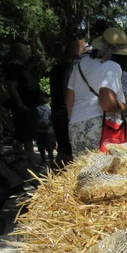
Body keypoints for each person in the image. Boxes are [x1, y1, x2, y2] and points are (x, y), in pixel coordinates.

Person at [65, 27, 127, 155]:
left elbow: (69, 101)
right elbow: (107, 103)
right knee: (105, 171)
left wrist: (78, 120)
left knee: (82, 171)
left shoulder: (79, 64)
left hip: (76, 125)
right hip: (102, 127)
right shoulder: (112, 67)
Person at [49, 38, 86, 166]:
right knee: (70, 152)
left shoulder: (55, 69)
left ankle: (57, 178)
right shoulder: (73, 69)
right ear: (77, 52)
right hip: (68, 112)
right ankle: (65, 180)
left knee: (62, 150)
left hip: (57, 111)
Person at [4, 42, 41, 166]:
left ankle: (29, 159)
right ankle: (21, 160)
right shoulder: (13, 67)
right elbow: (11, 87)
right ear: (20, 52)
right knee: (22, 135)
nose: (27, 53)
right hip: (22, 106)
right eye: (25, 50)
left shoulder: (22, 68)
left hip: (29, 105)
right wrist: (20, 104)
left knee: (28, 135)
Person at [36, 91, 54, 167]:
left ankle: (52, 161)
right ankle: (43, 161)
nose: (46, 99)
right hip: (40, 131)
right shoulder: (36, 109)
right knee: (41, 147)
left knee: (50, 147)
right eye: (45, 97)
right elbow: (36, 119)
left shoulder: (48, 109)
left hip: (48, 131)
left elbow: (51, 118)